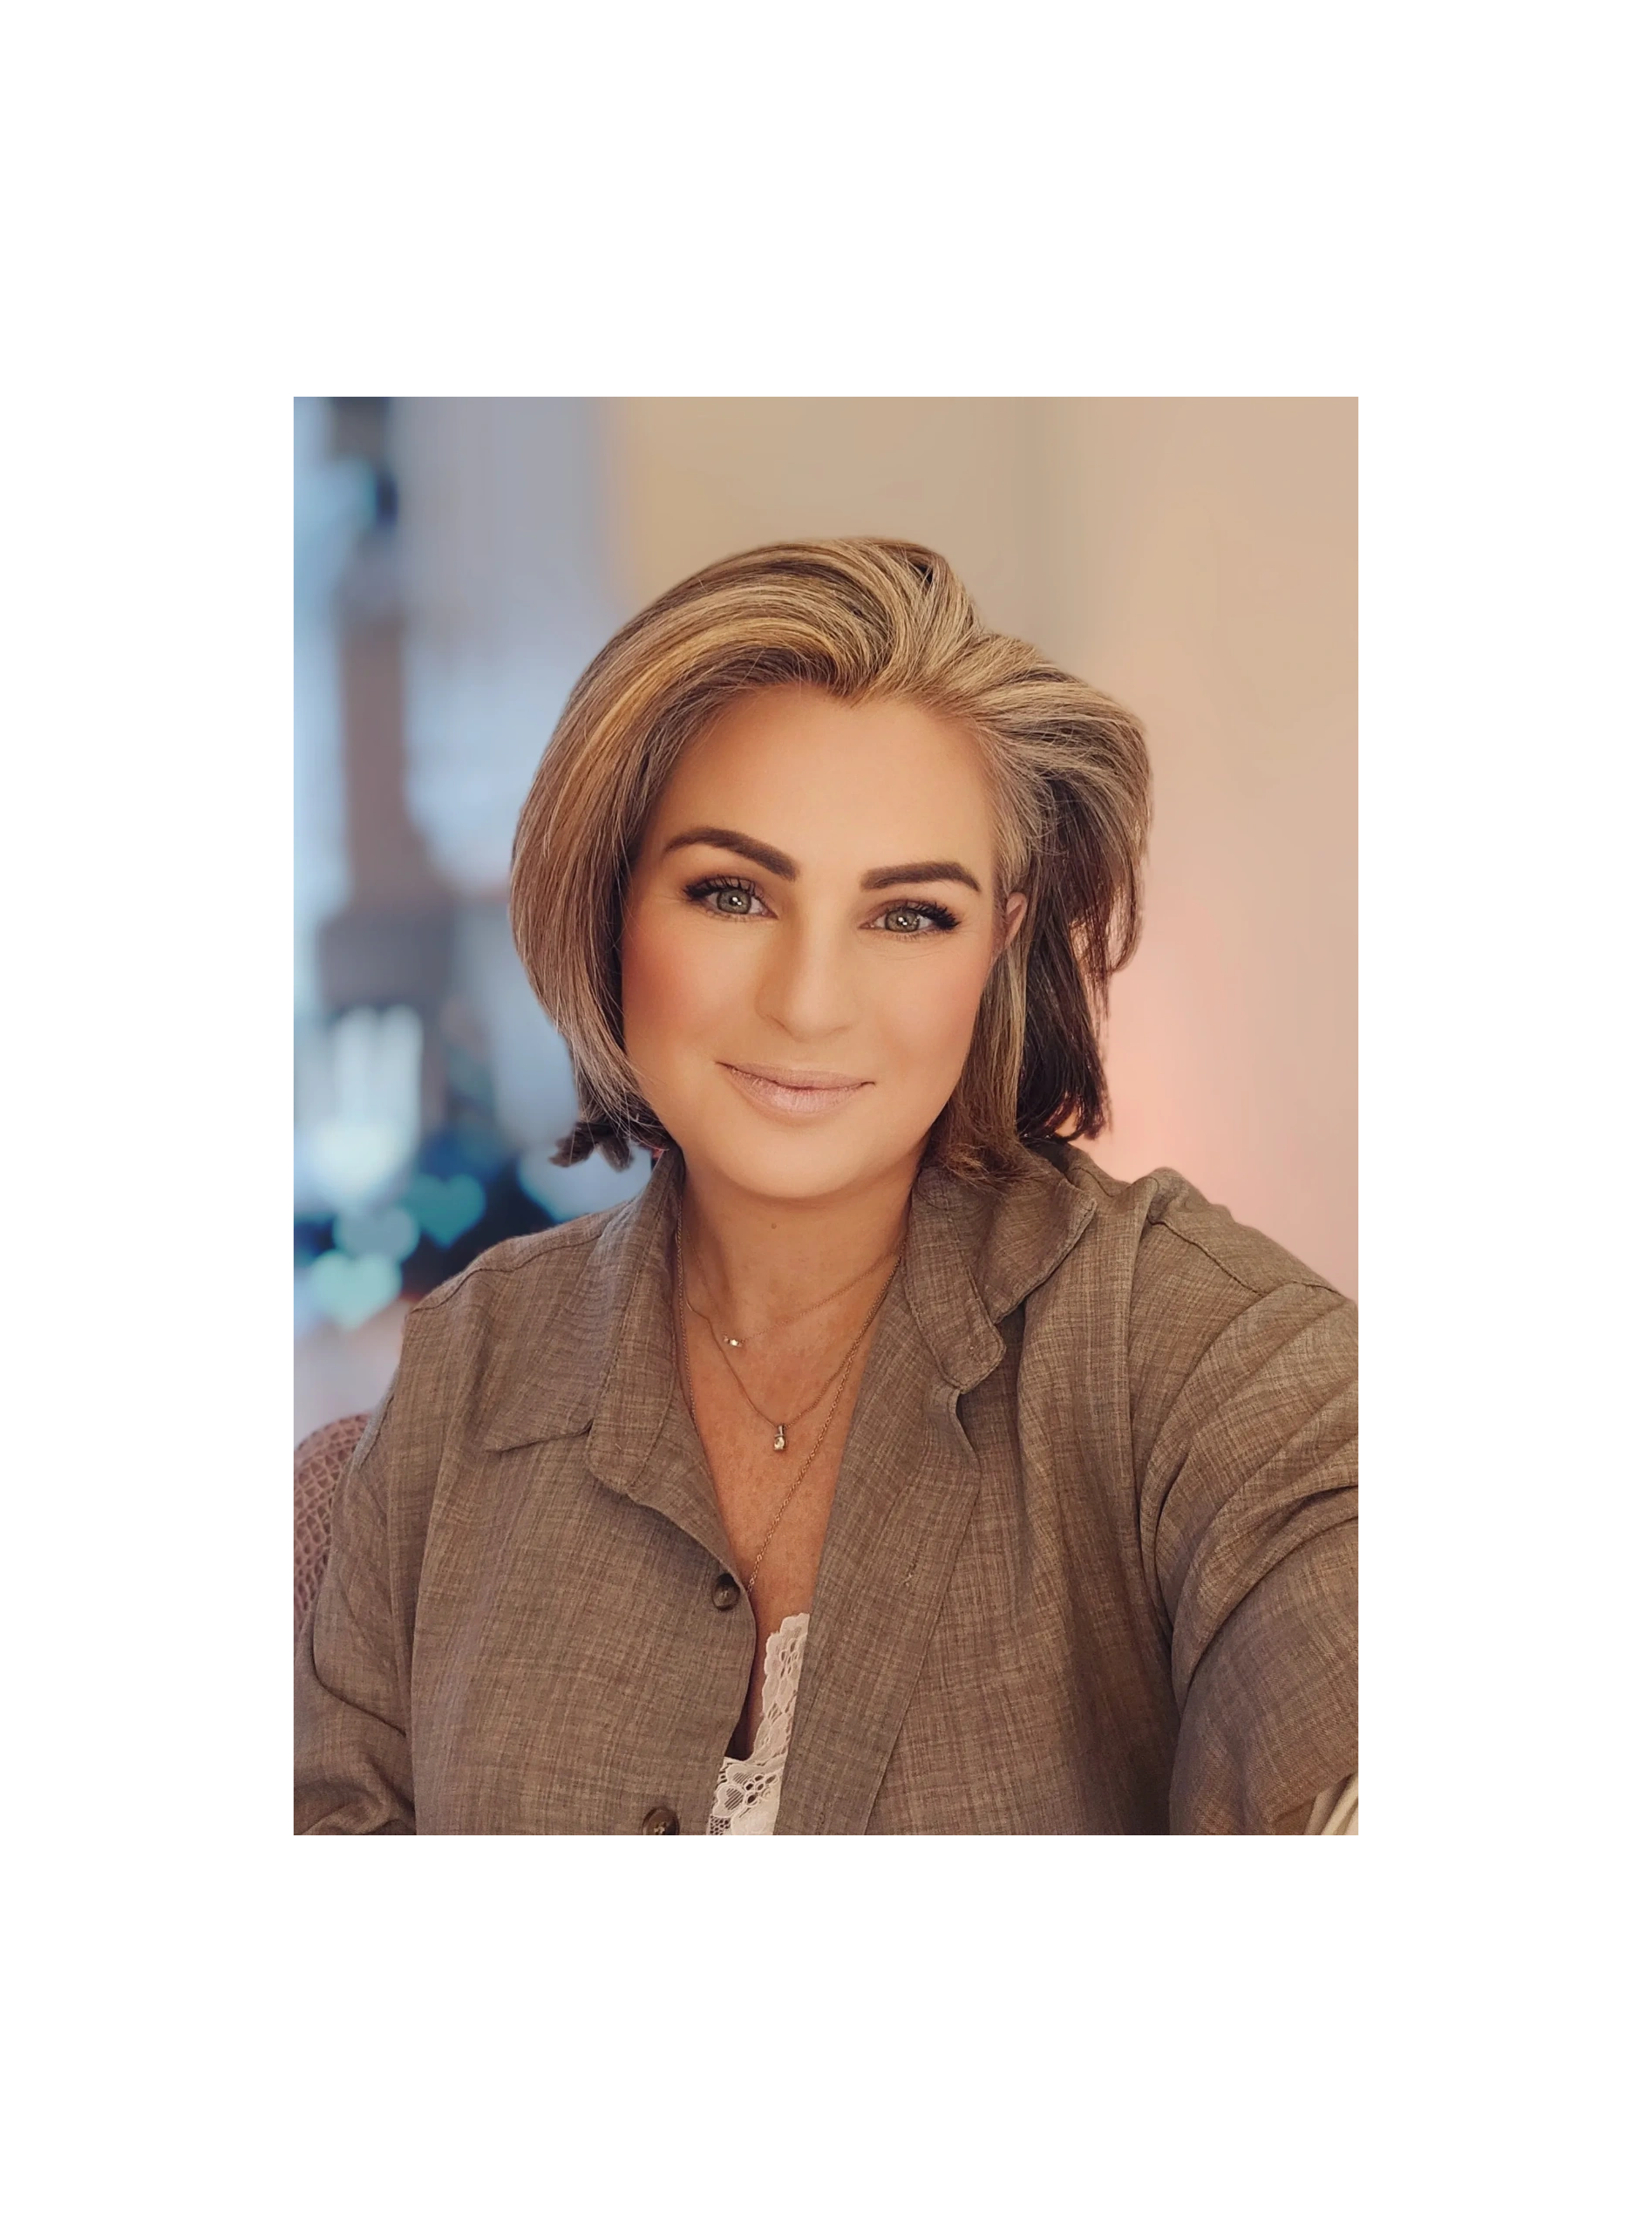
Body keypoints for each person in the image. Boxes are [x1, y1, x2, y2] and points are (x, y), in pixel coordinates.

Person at [294, 538, 1359, 1841]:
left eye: (908, 914)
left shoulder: (1180, 1347)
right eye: (730, 893)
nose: (807, 1003)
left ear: (1003, 937)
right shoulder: (469, 1370)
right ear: (614, 897)